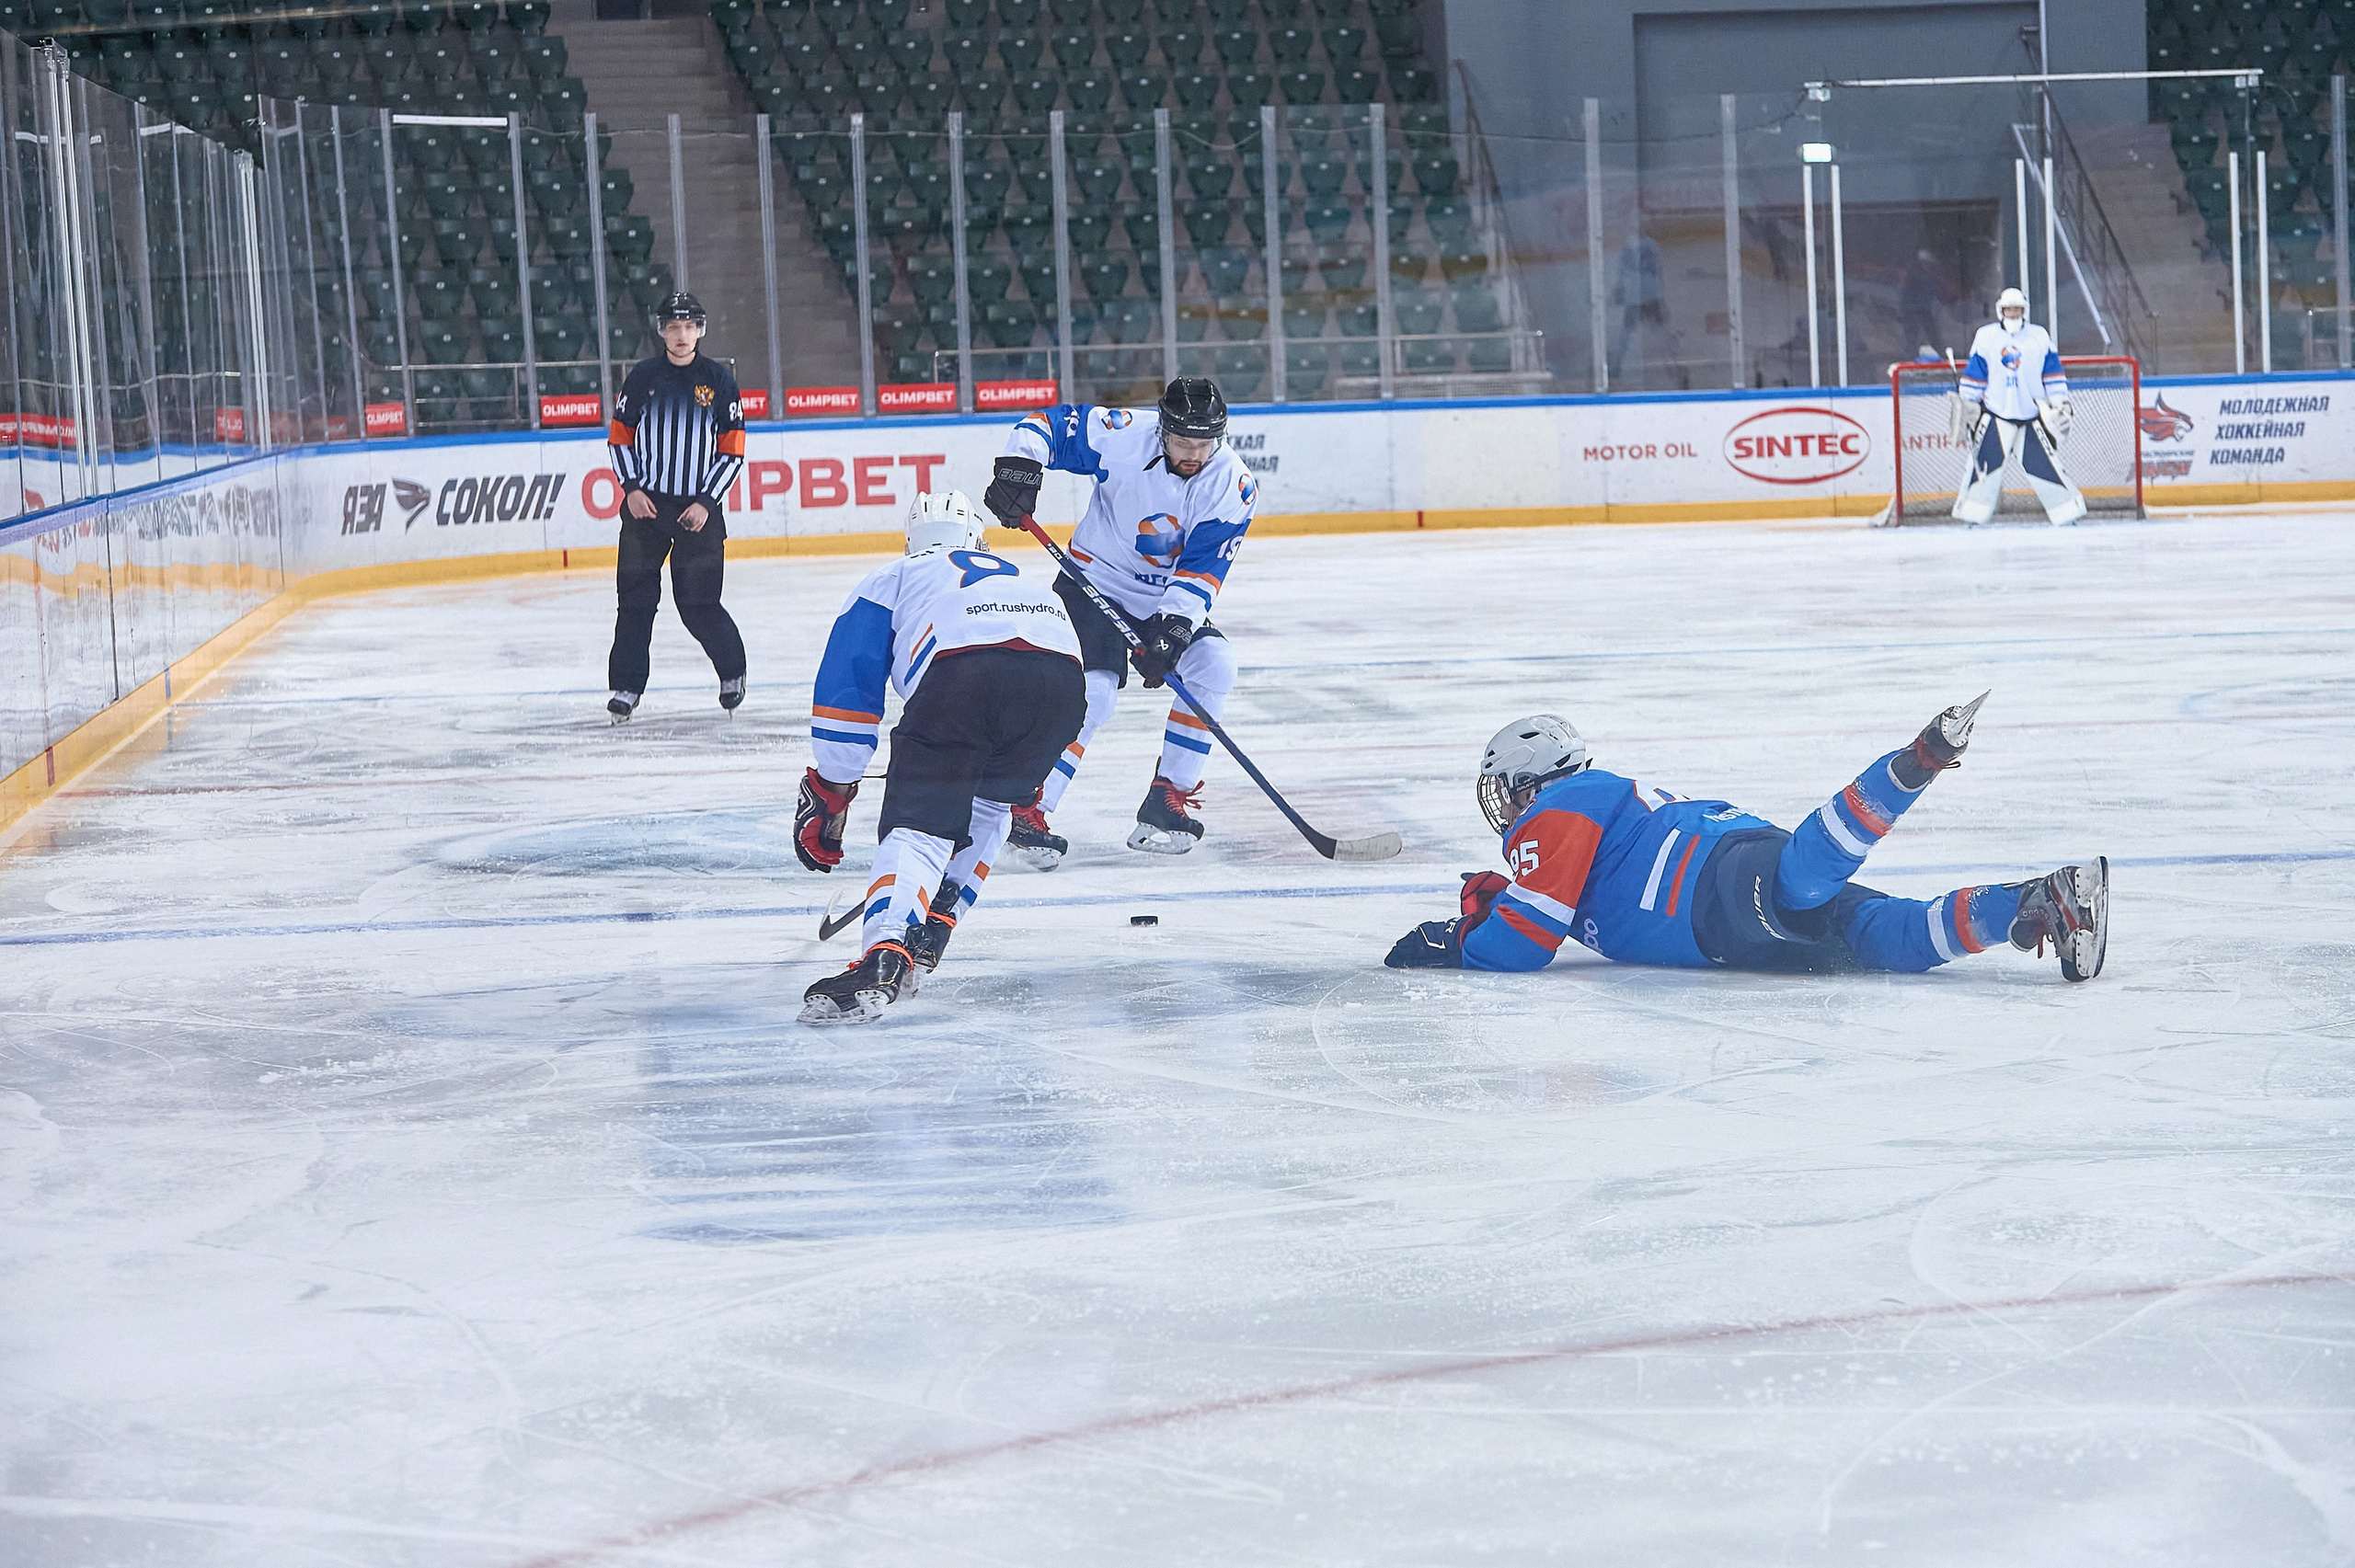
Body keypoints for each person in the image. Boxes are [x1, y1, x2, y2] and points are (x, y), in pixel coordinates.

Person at [1384, 697, 2108, 984]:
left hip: (1712, 886)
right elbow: (1548, 910)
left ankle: (1909, 767)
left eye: (1508, 788)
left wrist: (1463, 940)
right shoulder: (1587, 807)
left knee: (1797, 884)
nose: (1506, 809)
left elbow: (1524, 943)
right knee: (1896, 941)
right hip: (1723, 918)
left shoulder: (1564, 802)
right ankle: (2045, 899)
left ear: (1531, 779)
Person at [796, 490, 1086, 1024]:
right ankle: (932, 927)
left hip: (964, 676)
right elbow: (1061, 659)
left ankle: (882, 956)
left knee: (920, 827)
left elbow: (848, 687)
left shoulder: (896, 576)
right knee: (992, 807)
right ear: (978, 541)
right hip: (1062, 685)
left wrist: (833, 787)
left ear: (913, 542)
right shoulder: (1016, 576)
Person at [979, 376, 1258, 867]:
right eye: (1183, 441)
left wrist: (1173, 630)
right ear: (1162, 431)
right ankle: (1028, 805)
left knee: (1215, 663)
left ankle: (1167, 798)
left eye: (1204, 442)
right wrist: (1019, 471)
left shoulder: (1232, 485)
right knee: (1096, 692)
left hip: (1163, 601)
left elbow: (1203, 571)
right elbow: (1045, 425)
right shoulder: (1124, 434)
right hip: (1092, 584)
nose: (1194, 453)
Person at [603, 292, 749, 721]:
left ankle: (733, 672)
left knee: (698, 603)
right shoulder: (643, 377)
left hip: (698, 514)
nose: (681, 335)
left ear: (699, 330)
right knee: (634, 603)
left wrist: (706, 501)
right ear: (661, 331)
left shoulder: (718, 381)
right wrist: (631, 488)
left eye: (688, 327)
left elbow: (733, 450)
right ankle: (626, 688)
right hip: (645, 509)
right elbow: (620, 437)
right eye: (673, 326)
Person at [1949, 287, 2085, 526]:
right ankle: (1972, 515)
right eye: (2009, 309)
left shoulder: (2039, 336)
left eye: (2017, 309)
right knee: (1983, 470)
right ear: (2001, 310)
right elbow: (1976, 373)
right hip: (1996, 415)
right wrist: (1967, 401)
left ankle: (2066, 513)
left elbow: (2052, 373)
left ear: (2024, 310)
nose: (2013, 313)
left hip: (2030, 416)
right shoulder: (1986, 336)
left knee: (2046, 468)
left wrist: (2059, 400)